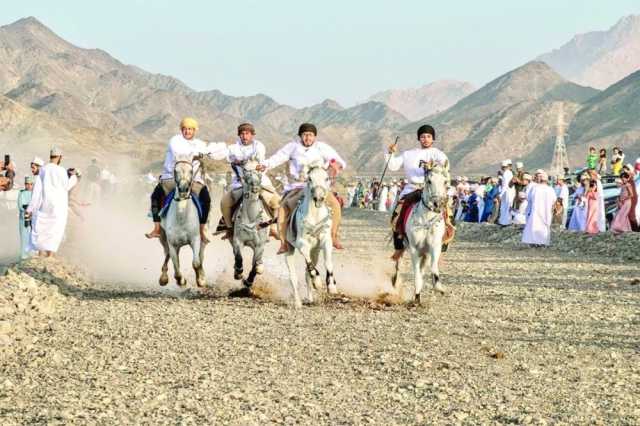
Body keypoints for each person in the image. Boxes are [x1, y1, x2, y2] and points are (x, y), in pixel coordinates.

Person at [257, 123, 346, 254]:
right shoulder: (292, 147)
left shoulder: (322, 148)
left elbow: (338, 161)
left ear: (315, 136)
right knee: (283, 209)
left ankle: (333, 236)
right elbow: (277, 158)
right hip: (297, 187)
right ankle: (284, 243)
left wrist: (336, 165)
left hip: (317, 187)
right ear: (300, 136)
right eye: (305, 135)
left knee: (336, 205)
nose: (307, 138)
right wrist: (265, 165)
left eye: (310, 135)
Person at [145, 117, 227, 243]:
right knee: (155, 196)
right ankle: (156, 228)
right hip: (171, 178)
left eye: (190, 129)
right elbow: (180, 152)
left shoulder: (199, 143)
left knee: (206, 199)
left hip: (193, 180)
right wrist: (200, 152)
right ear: (181, 130)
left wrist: (212, 150)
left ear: (194, 131)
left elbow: (218, 152)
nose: (187, 131)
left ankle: (202, 229)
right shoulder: (175, 140)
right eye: (185, 129)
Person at [385, 124, 454, 261]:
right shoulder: (408, 154)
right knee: (397, 213)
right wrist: (390, 153)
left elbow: (445, 167)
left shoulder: (438, 154)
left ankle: (444, 243)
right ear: (419, 138)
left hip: (431, 189)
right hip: (412, 189)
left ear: (433, 139)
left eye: (428, 136)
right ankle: (399, 247)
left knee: (448, 212)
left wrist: (433, 166)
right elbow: (393, 166)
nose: (425, 139)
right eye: (422, 136)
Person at [218, 123, 280, 239]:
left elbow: (257, 159)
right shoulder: (233, 148)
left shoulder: (259, 146)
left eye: (247, 134)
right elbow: (229, 158)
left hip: (258, 181)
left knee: (277, 201)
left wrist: (241, 161)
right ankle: (229, 228)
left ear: (252, 135)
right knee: (224, 203)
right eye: (242, 134)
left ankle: (273, 228)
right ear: (239, 135)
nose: (244, 136)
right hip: (240, 182)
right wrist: (236, 160)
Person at [26, 147, 79, 257]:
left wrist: (30, 208)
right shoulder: (61, 170)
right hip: (59, 206)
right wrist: (74, 177)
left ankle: (40, 253)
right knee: (55, 230)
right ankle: (50, 255)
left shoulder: (43, 169)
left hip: (45, 205)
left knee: (42, 228)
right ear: (60, 157)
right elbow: (67, 186)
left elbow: (37, 191)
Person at [522, 171, 556, 246]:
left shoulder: (535, 189)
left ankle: (534, 242)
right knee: (544, 227)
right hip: (546, 212)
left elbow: (529, 198)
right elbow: (554, 201)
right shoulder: (551, 189)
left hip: (536, 211)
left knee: (535, 225)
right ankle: (543, 242)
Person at [17, 176, 34, 259]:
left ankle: (33, 254)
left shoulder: (35, 193)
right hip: (23, 219)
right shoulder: (22, 193)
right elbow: (20, 205)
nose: (29, 186)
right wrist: (27, 209)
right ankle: (24, 255)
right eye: (27, 184)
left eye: (30, 184)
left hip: (33, 218)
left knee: (33, 236)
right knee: (24, 237)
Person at [498, 160, 515, 226]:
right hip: (508, 192)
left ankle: (505, 221)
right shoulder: (508, 173)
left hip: (507, 192)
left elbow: (505, 185)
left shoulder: (506, 173)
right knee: (506, 206)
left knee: (506, 206)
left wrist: (500, 195)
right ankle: (504, 221)